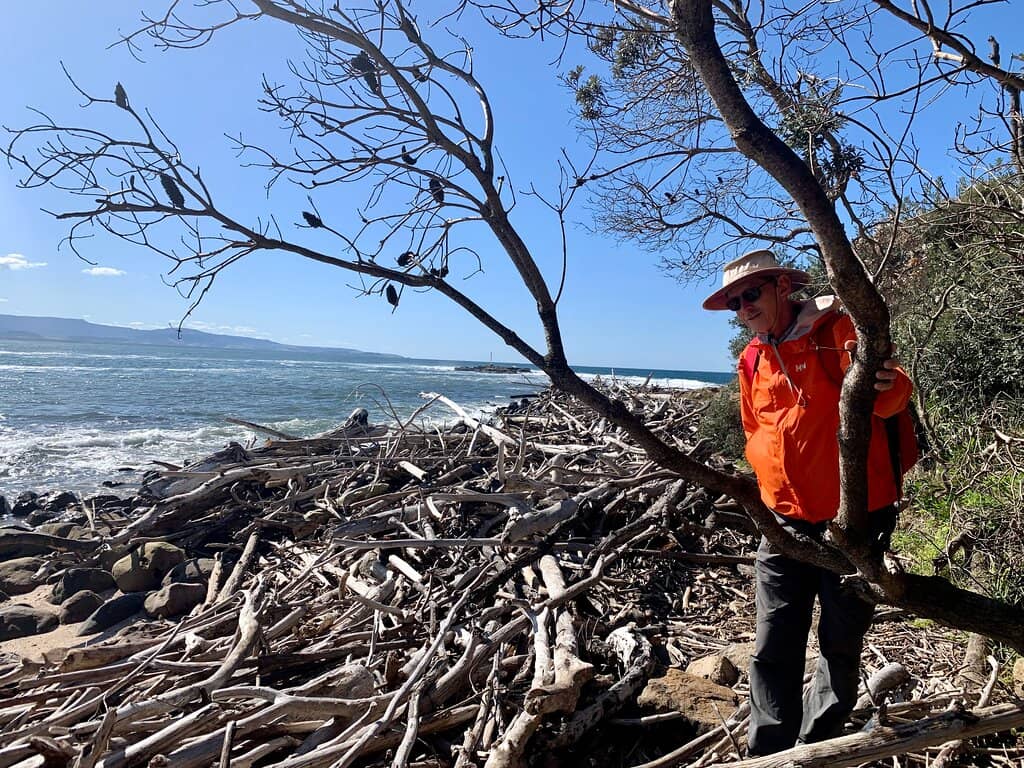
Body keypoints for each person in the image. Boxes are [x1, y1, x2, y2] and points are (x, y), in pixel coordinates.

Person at [702, 249, 913, 756]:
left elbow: (891, 392)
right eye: (735, 301)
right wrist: (768, 480)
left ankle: (817, 747)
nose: (743, 308)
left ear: (781, 287)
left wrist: (887, 382)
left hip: (854, 518)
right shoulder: (751, 357)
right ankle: (769, 752)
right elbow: (754, 427)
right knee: (773, 641)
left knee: (840, 640)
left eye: (750, 294)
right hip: (783, 522)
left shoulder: (835, 331)